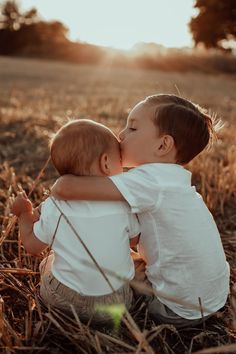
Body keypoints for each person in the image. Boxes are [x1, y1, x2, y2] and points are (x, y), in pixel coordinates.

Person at [51, 94, 230, 328]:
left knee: (81, 266)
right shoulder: (174, 182)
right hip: (212, 297)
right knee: (130, 257)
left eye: (132, 128)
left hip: (176, 308)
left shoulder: (147, 181)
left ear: (163, 145)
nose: (121, 134)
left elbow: (66, 188)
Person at [11, 119, 140, 323]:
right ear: (106, 163)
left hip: (64, 300)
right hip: (116, 303)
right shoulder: (123, 204)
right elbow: (133, 242)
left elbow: (32, 246)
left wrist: (24, 214)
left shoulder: (54, 206)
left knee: (47, 261)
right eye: (120, 160)